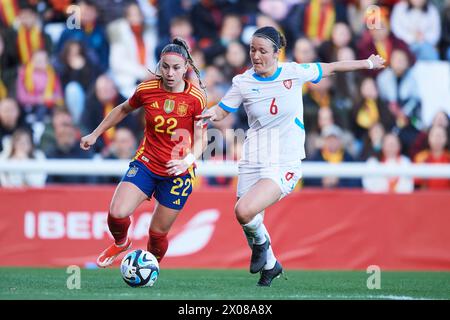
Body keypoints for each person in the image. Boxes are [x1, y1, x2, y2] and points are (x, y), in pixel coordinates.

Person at [198, 26, 385, 287]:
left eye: (263, 50)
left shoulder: (294, 72)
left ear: (277, 53)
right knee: (248, 218)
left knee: (244, 211)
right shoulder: (243, 81)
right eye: (253, 49)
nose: (256, 55)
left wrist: (367, 62)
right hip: (253, 156)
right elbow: (222, 111)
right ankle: (272, 265)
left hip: (284, 159)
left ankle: (262, 246)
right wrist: (210, 114)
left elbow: (331, 67)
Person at [80, 38, 207, 268]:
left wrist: (185, 162)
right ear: (159, 65)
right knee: (117, 213)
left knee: (157, 234)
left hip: (178, 172)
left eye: (176, 68)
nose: (170, 73)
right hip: (147, 162)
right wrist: (95, 134)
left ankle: (149, 269)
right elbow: (123, 109)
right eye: (165, 66)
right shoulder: (147, 89)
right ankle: (121, 241)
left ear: (186, 67)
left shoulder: (196, 98)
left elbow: (202, 140)